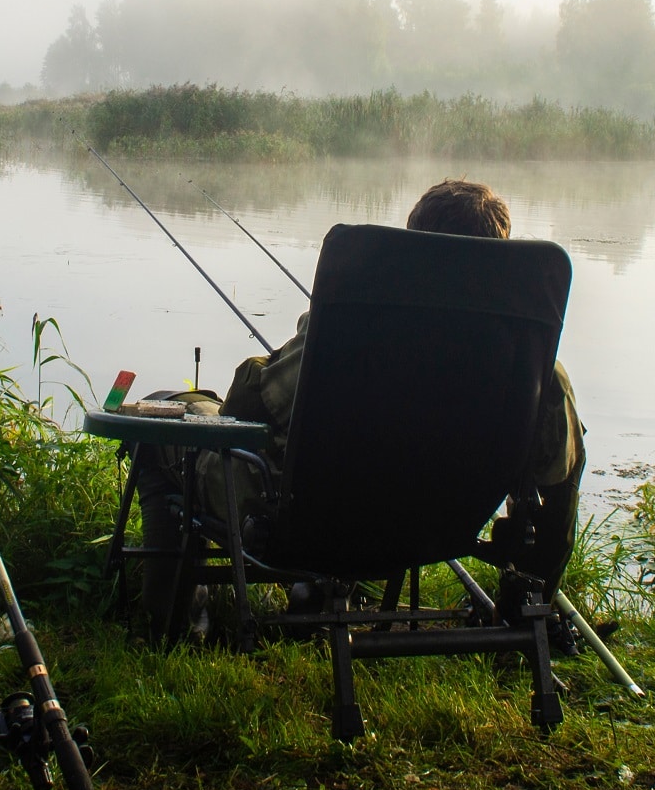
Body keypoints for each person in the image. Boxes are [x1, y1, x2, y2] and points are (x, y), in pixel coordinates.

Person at [135, 178, 586, 642]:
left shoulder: (350, 334)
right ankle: (520, 615)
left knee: (161, 426)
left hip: (308, 524)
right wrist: (531, 596)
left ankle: (175, 625)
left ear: (415, 250)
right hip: (439, 531)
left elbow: (248, 410)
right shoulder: (537, 374)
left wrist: (259, 364)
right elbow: (560, 481)